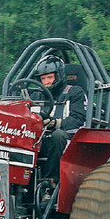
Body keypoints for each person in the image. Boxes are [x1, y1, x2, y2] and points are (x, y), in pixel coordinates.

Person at [32, 55, 87, 184]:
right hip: (40, 138)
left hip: (68, 138)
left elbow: (78, 119)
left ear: (59, 75)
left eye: (50, 77)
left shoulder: (74, 92)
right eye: (43, 78)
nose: (46, 82)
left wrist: (56, 123)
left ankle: (50, 182)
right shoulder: (35, 95)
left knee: (57, 136)